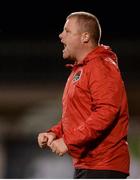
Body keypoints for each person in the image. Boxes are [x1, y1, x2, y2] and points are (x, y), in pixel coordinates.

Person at [37, 11, 130, 179]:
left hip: (104, 165)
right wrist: (55, 133)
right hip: (89, 165)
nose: (61, 35)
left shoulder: (101, 66)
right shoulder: (80, 69)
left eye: (67, 31)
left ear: (85, 37)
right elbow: (78, 116)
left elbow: (106, 112)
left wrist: (68, 141)